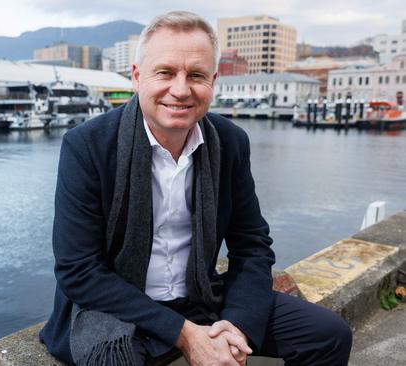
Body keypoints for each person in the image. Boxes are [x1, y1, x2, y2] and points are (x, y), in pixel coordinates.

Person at [40, 10, 353, 366]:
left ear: (213, 80)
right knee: (115, 359)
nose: (180, 89)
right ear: (137, 76)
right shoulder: (88, 146)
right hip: (121, 309)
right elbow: (78, 270)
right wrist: (186, 335)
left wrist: (236, 326)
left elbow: (252, 245)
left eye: (197, 75)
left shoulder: (230, 142)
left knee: (329, 334)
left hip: (202, 296)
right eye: (165, 72)